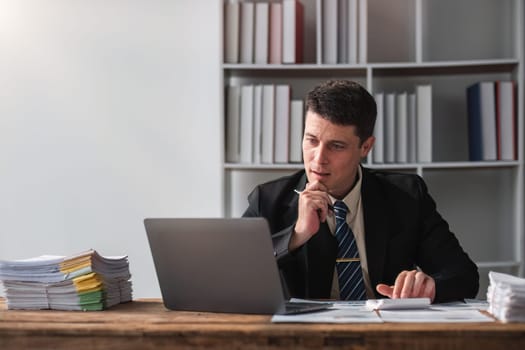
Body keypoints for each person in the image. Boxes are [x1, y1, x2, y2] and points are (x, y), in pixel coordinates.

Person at [242, 79, 479, 303]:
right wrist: (295, 236)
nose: (318, 158)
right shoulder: (268, 201)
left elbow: (464, 275)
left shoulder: (407, 196)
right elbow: (235, 274)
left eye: (336, 146)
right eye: (311, 140)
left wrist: (430, 286)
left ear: (366, 146)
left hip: (383, 335)